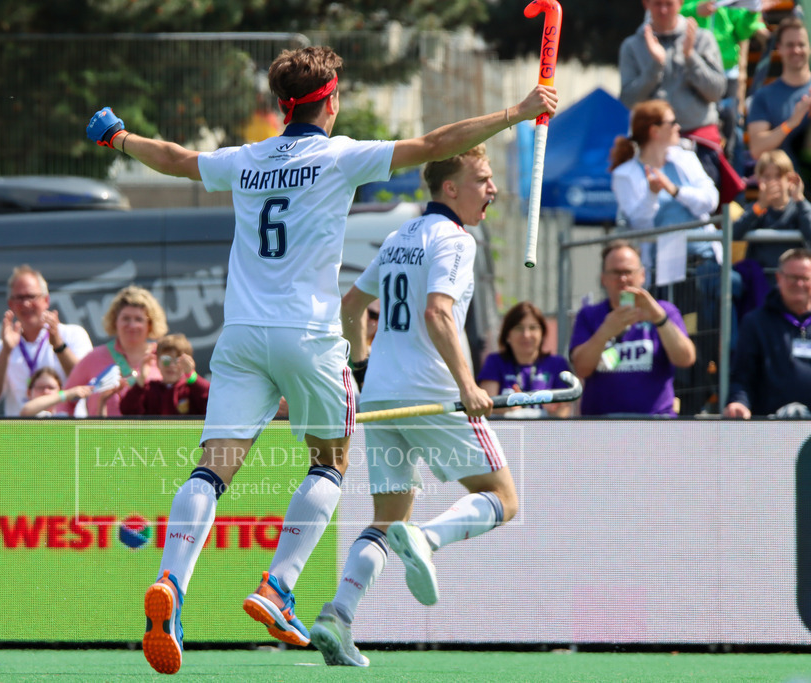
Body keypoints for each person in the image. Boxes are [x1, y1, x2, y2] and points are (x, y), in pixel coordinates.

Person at [86, 45, 557, 675]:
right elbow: (437, 140)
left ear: (283, 105)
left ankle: (171, 585)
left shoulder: (247, 159)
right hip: (307, 337)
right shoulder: (340, 156)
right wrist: (518, 111)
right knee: (329, 462)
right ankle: (278, 587)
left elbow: (173, 159)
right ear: (330, 100)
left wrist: (119, 138)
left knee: (212, 471)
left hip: (242, 336)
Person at [308, 146, 512, 667]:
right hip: (434, 391)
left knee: (386, 515)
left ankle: (337, 615)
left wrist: (360, 367)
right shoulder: (457, 241)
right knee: (502, 498)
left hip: (382, 393)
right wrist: (467, 384)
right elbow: (438, 312)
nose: (491, 189)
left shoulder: (400, 237)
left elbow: (352, 306)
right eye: (483, 179)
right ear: (451, 188)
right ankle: (425, 538)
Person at [569, 240, 697, 416]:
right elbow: (581, 368)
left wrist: (659, 318)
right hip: (601, 426)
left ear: (642, 275)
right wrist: (606, 331)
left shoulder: (664, 311)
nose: (622, 279)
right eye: (616, 272)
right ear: (603, 278)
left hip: (655, 424)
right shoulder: (589, 315)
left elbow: (686, 359)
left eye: (628, 272)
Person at [619, 0, 727, 186]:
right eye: (657, 4)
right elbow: (629, 100)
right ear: (646, 4)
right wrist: (655, 66)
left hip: (699, 143)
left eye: (668, 4)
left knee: (704, 210)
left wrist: (690, 57)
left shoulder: (702, 39)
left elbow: (716, 91)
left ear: (680, 3)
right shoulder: (632, 45)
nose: (663, 10)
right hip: (654, 148)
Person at [610, 99, 721, 265]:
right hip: (660, 267)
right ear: (655, 131)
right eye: (672, 122)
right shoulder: (623, 175)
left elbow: (711, 201)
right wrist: (651, 194)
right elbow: (639, 226)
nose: (678, 127)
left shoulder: (686, 158)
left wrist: (676, 191)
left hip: (703, 259)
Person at [0, 265, 93, 416]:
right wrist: (6, 351)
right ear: (10, 304)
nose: (26, 304)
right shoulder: (1, 347)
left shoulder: (72, 335)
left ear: (46, 300)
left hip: (67, 432)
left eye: (31, 296)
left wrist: (59, 346)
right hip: (20, 435)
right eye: (19, 298)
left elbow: (87, 382)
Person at [724, 248, 811, 418]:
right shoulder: (755, 322)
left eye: (805, 278)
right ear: (779, 278)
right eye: (792, 278)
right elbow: (742, 377)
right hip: (770, 428)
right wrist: (738, 403)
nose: (799, 284)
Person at [53, 285, 164, 417]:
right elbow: (66, 400)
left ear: (150, 324)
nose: (132, 325)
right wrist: (66, 432)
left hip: (155, 436)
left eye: (139, 319)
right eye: (126, 318)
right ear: (115, 321)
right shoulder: (93, 358)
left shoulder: (164, 355)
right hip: (103, 436)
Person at [681, 0, 768, 162]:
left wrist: (752, 13)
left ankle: (728, 165)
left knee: (730, 122)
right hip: (694, 70)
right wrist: (695, 9)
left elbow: (742, 32)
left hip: (727, 73)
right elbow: (671, 16)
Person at [478, 301, 573, 418]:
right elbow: (486, 407)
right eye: (519, 328)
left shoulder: (557, 364)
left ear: (542, 333)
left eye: (533, 328)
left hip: (545, 433)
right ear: (507, 335)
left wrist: (553, 411)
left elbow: (564, 411)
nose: (526, 334)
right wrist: (506, 406)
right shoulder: (494, 362)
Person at [746, 17, 811, 188]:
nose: (796, 50)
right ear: (779, 48)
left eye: (801, 44)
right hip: (785, 198)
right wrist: (791, 123)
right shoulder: (764, 96)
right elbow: (756, 149)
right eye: (790, 45)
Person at [734, 149, 811, 272]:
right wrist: (760, 206)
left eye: (778, 176)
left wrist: (800, 199)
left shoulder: (800, 208)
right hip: (760, 282)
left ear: (790, 179)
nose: (773, 182)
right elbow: (733, 234)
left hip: (794, 279)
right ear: (759, 180)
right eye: (767, 177)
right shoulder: (756, 209)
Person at [126, 333, 210, 416]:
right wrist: (141, 379)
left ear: (188, 363)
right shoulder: (150, 389)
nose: (172, 365)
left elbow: (209, 401)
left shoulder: (190, 389)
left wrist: (191, 375)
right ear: (157, 362)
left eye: (178, 361)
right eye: (166, 360)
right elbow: (127, 410)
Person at [19, 367, 94, 417]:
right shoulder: (26, 411)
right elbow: (26, 411)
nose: (46, 391)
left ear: (59, 390)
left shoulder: (64, 416)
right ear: (29, 392)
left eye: (51, 388)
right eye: (40, 388)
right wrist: (67, 394)